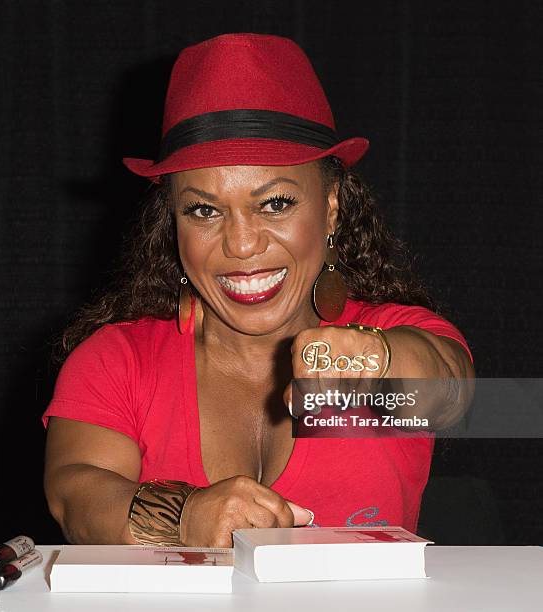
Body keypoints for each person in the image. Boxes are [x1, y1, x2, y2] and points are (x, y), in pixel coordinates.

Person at [42, 33, 475, 547]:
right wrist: (183, 515)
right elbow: (75, 492)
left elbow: (454, 396)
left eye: (275, 204)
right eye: (204, 210)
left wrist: (377, 360)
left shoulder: (398, 331)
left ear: (331, 206)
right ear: (173, 223)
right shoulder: (119, 360)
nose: (242, 245)